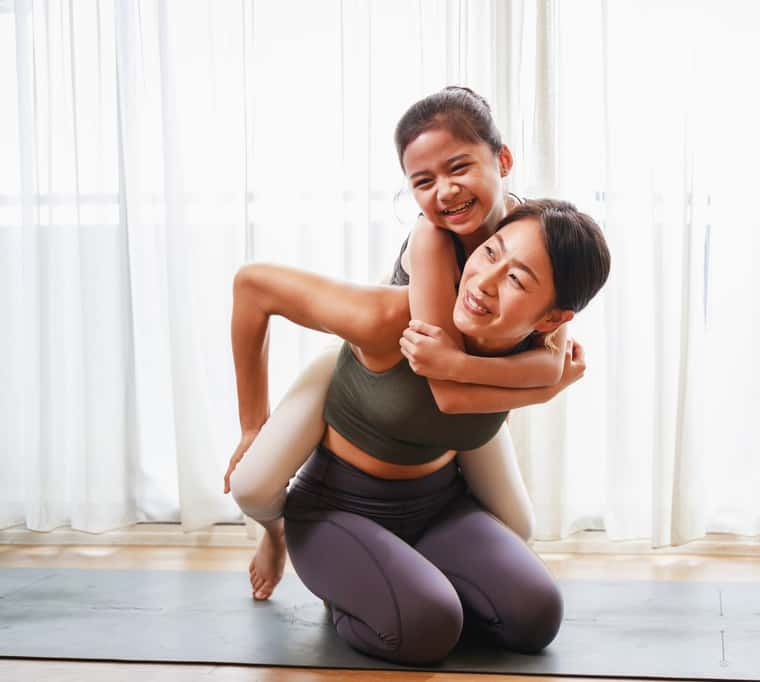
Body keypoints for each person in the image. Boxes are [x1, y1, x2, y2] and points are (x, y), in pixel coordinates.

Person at [225, 87, 570, 600]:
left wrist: (549, 374)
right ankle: (275, 536)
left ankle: (429, 556)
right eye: (423, 182)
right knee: (253, 488)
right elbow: (448, 386)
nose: (446, 192)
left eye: (460, 168)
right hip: (381, 376)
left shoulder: (538, 235)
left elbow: (550, 352)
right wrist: (253, 425)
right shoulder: (428, 246)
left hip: (452, 412)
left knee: (517, 526)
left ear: (504, 159)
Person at [230, 200, 611, 664]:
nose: (485, 283)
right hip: (338, 508)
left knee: (536, 617)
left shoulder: (540, 352)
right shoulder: (391, 319)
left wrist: (544, 385)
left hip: (439, 505)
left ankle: (409, 579)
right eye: (490, 253)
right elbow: (253, 286)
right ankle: (319, 564)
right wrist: (252, 426)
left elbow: (487, 392)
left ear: (551, 319)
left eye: (516, 279)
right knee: (427, 627)